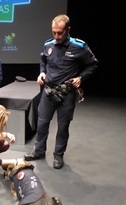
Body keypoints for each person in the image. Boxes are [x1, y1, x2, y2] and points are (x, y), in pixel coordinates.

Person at [24, 14, 99, 169]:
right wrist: (42, 72)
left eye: (60, 33)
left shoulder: (79, 46)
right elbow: (43, 60)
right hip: (48, 92)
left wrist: (81, 77)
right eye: (54, 32)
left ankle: (58, 156)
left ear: (68, 30)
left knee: (63, 126)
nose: (56, 36)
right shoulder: (48, 45)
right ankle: (39, 151)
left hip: (67, 94)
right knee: (42, 123)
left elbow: (93, 65)